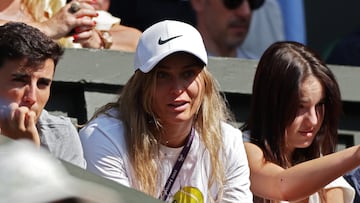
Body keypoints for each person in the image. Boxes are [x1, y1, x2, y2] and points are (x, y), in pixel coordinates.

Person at [80, 20, 253, 202]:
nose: (177, 89)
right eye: (162, 75)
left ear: (204, 82)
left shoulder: (228, 142)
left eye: (188, 74)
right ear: (141, 85)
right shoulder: (103, 138)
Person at [241, 41, 359, 202]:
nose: (313, 120)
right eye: (300, 106)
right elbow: (281, 186)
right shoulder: (243, 150)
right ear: (272, 103)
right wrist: (356, 154)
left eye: (319, 105)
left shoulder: (319, 160)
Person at [0, 22, 86, 168]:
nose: (32, 97)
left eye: (43, 84)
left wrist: (30, 154)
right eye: (20, 80)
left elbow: (66, 192)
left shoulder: (60, 134)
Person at [0, 0, 141, 51]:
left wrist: (97, 40)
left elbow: (138, 41)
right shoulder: (55, 20)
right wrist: (47, 28)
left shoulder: (54, 5)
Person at [190, 0, 265, 58]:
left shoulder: (260, 71)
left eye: (253, 1)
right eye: (233, 1)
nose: (246, 12)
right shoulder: (180, 66)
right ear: (198, 1)